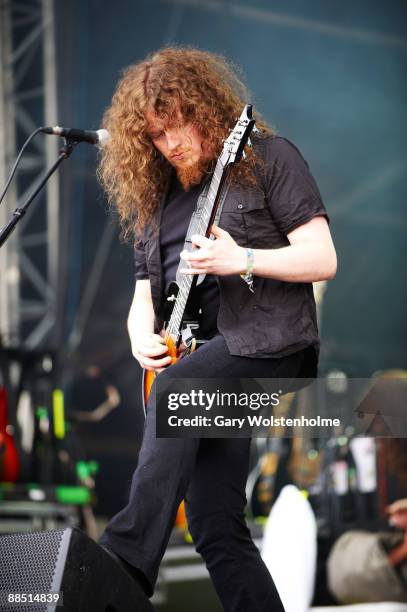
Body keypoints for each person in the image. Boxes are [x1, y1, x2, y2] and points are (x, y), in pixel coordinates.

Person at [97, 47, 337, 611]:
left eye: (179, 122)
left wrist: (243, 260)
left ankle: (126, 560)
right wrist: (139, 338)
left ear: (206, 109)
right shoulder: (157, 199)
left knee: (180, 394)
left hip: (266, 342)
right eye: (156, 134)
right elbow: (142, 296)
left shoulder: (269, 158)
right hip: (201, 358)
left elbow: (322, 257)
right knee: (215, 523)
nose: (172, 141)